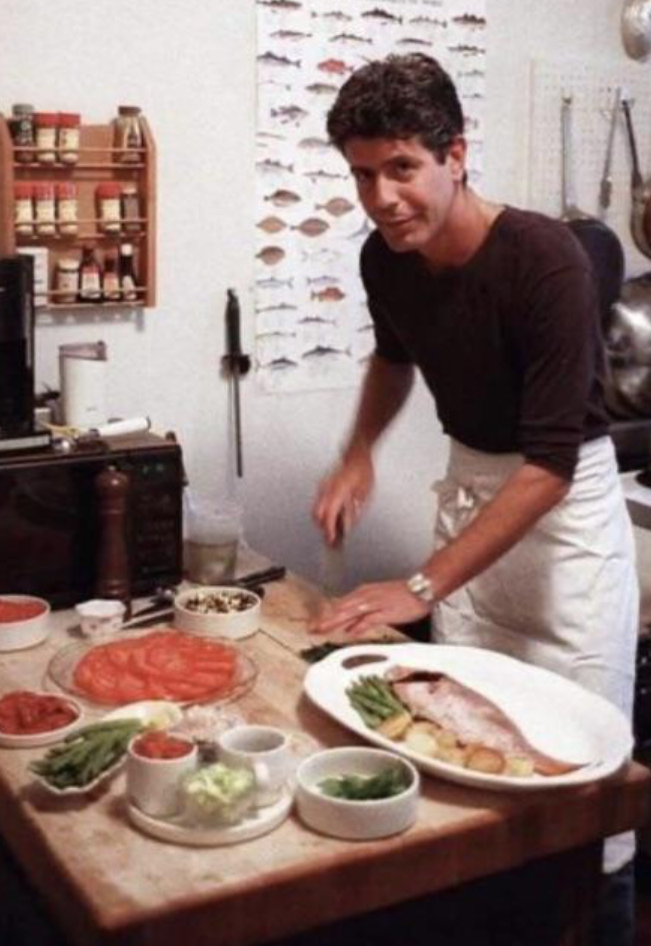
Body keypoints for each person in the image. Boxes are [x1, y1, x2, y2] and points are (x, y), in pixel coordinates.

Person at [310, 53, 638, 945]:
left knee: (579, 781)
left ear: (457, 154)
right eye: (362, 175)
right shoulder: (386, 259)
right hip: (474, 498)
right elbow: (394, 356)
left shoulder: (547, 261)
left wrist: (418, 587)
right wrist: (356, 455)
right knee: (463, 752)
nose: (381, 198)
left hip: (562, 522)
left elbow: (549, 467)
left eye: (402, 168)